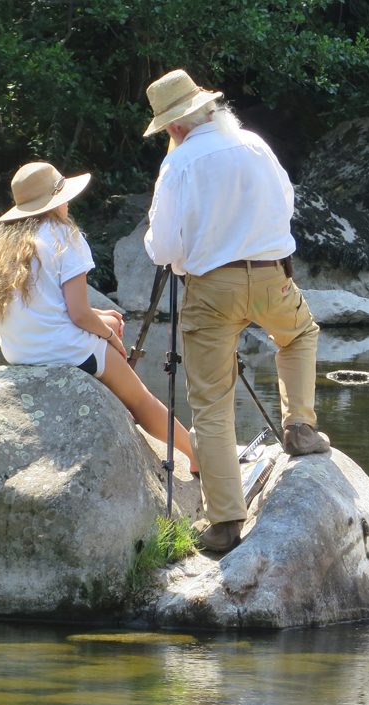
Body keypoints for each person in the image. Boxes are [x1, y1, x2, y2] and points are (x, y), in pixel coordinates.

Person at [143, 69, 329, 553]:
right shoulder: (254, 144)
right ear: (209, 109)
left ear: (175, 126)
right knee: (299, 335)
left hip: (211, 289)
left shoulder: (179, 162)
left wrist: (187, 253)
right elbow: (285, 203)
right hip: (272, 276)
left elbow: (162, 248)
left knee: (211, 402)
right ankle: (300, 428)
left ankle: (225, 523)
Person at [0, 161, 198, 473]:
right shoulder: (63, 236)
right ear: (57, 200)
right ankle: (197, 459)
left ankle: (111, 395)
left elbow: (52, 306)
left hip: (19, 352)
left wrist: (104, 320)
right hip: (63, 349)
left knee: (108, 320)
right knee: (141, 399)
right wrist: (113, 338)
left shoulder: (6, 243)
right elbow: (79, 314)